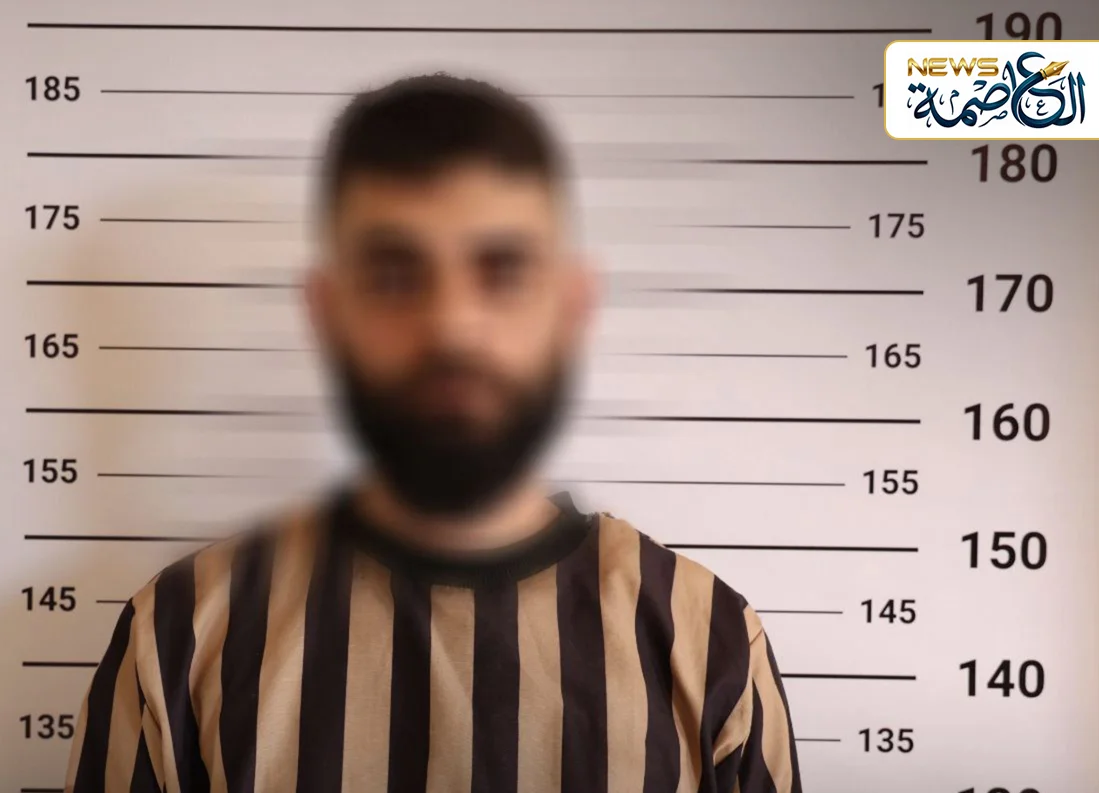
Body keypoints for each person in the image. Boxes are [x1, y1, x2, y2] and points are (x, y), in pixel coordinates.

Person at [64, 73, 801, 793]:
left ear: (572, 305)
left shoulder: (710, 646)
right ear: (327, 312)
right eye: (395, 275)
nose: (451, 326)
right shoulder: (179, 638)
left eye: (503, 271)